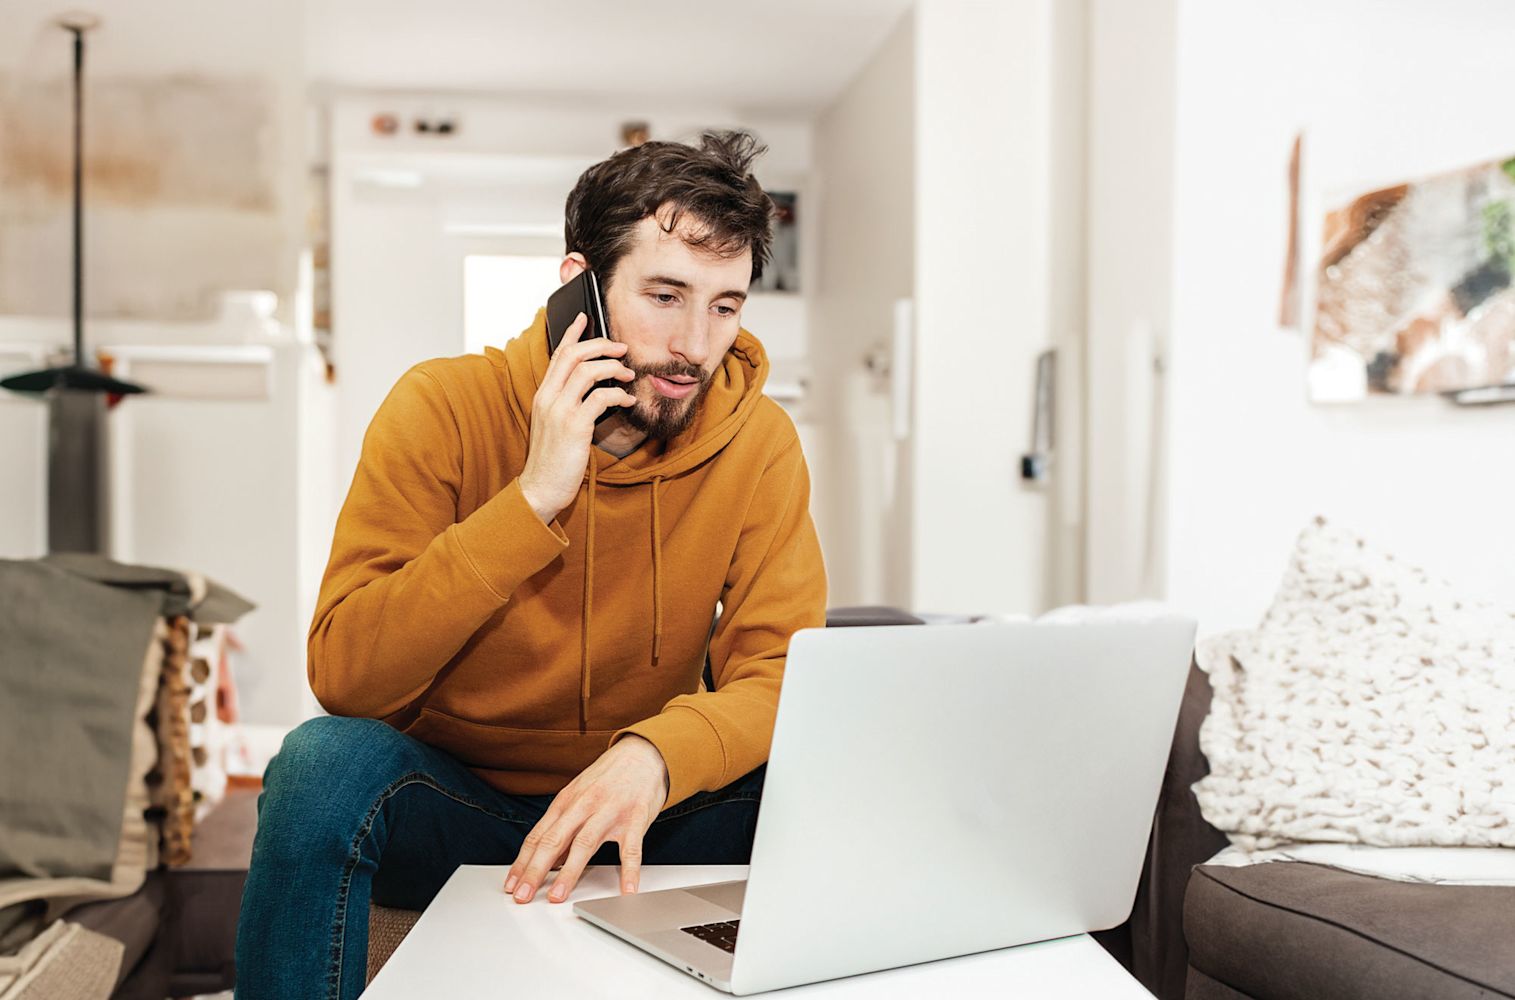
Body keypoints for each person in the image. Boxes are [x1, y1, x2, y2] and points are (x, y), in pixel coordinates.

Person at [234, 131, 827, 999]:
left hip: (645, 808)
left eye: (724, 306)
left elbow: (782, 670)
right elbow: (347, 677)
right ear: (577, 286)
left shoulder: (759, 443)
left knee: (826, 779)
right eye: (665, 295)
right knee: (320, 766)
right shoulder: (440, 407)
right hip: (457, 806)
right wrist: (530, 503)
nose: (695, 345)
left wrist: (656, 757)